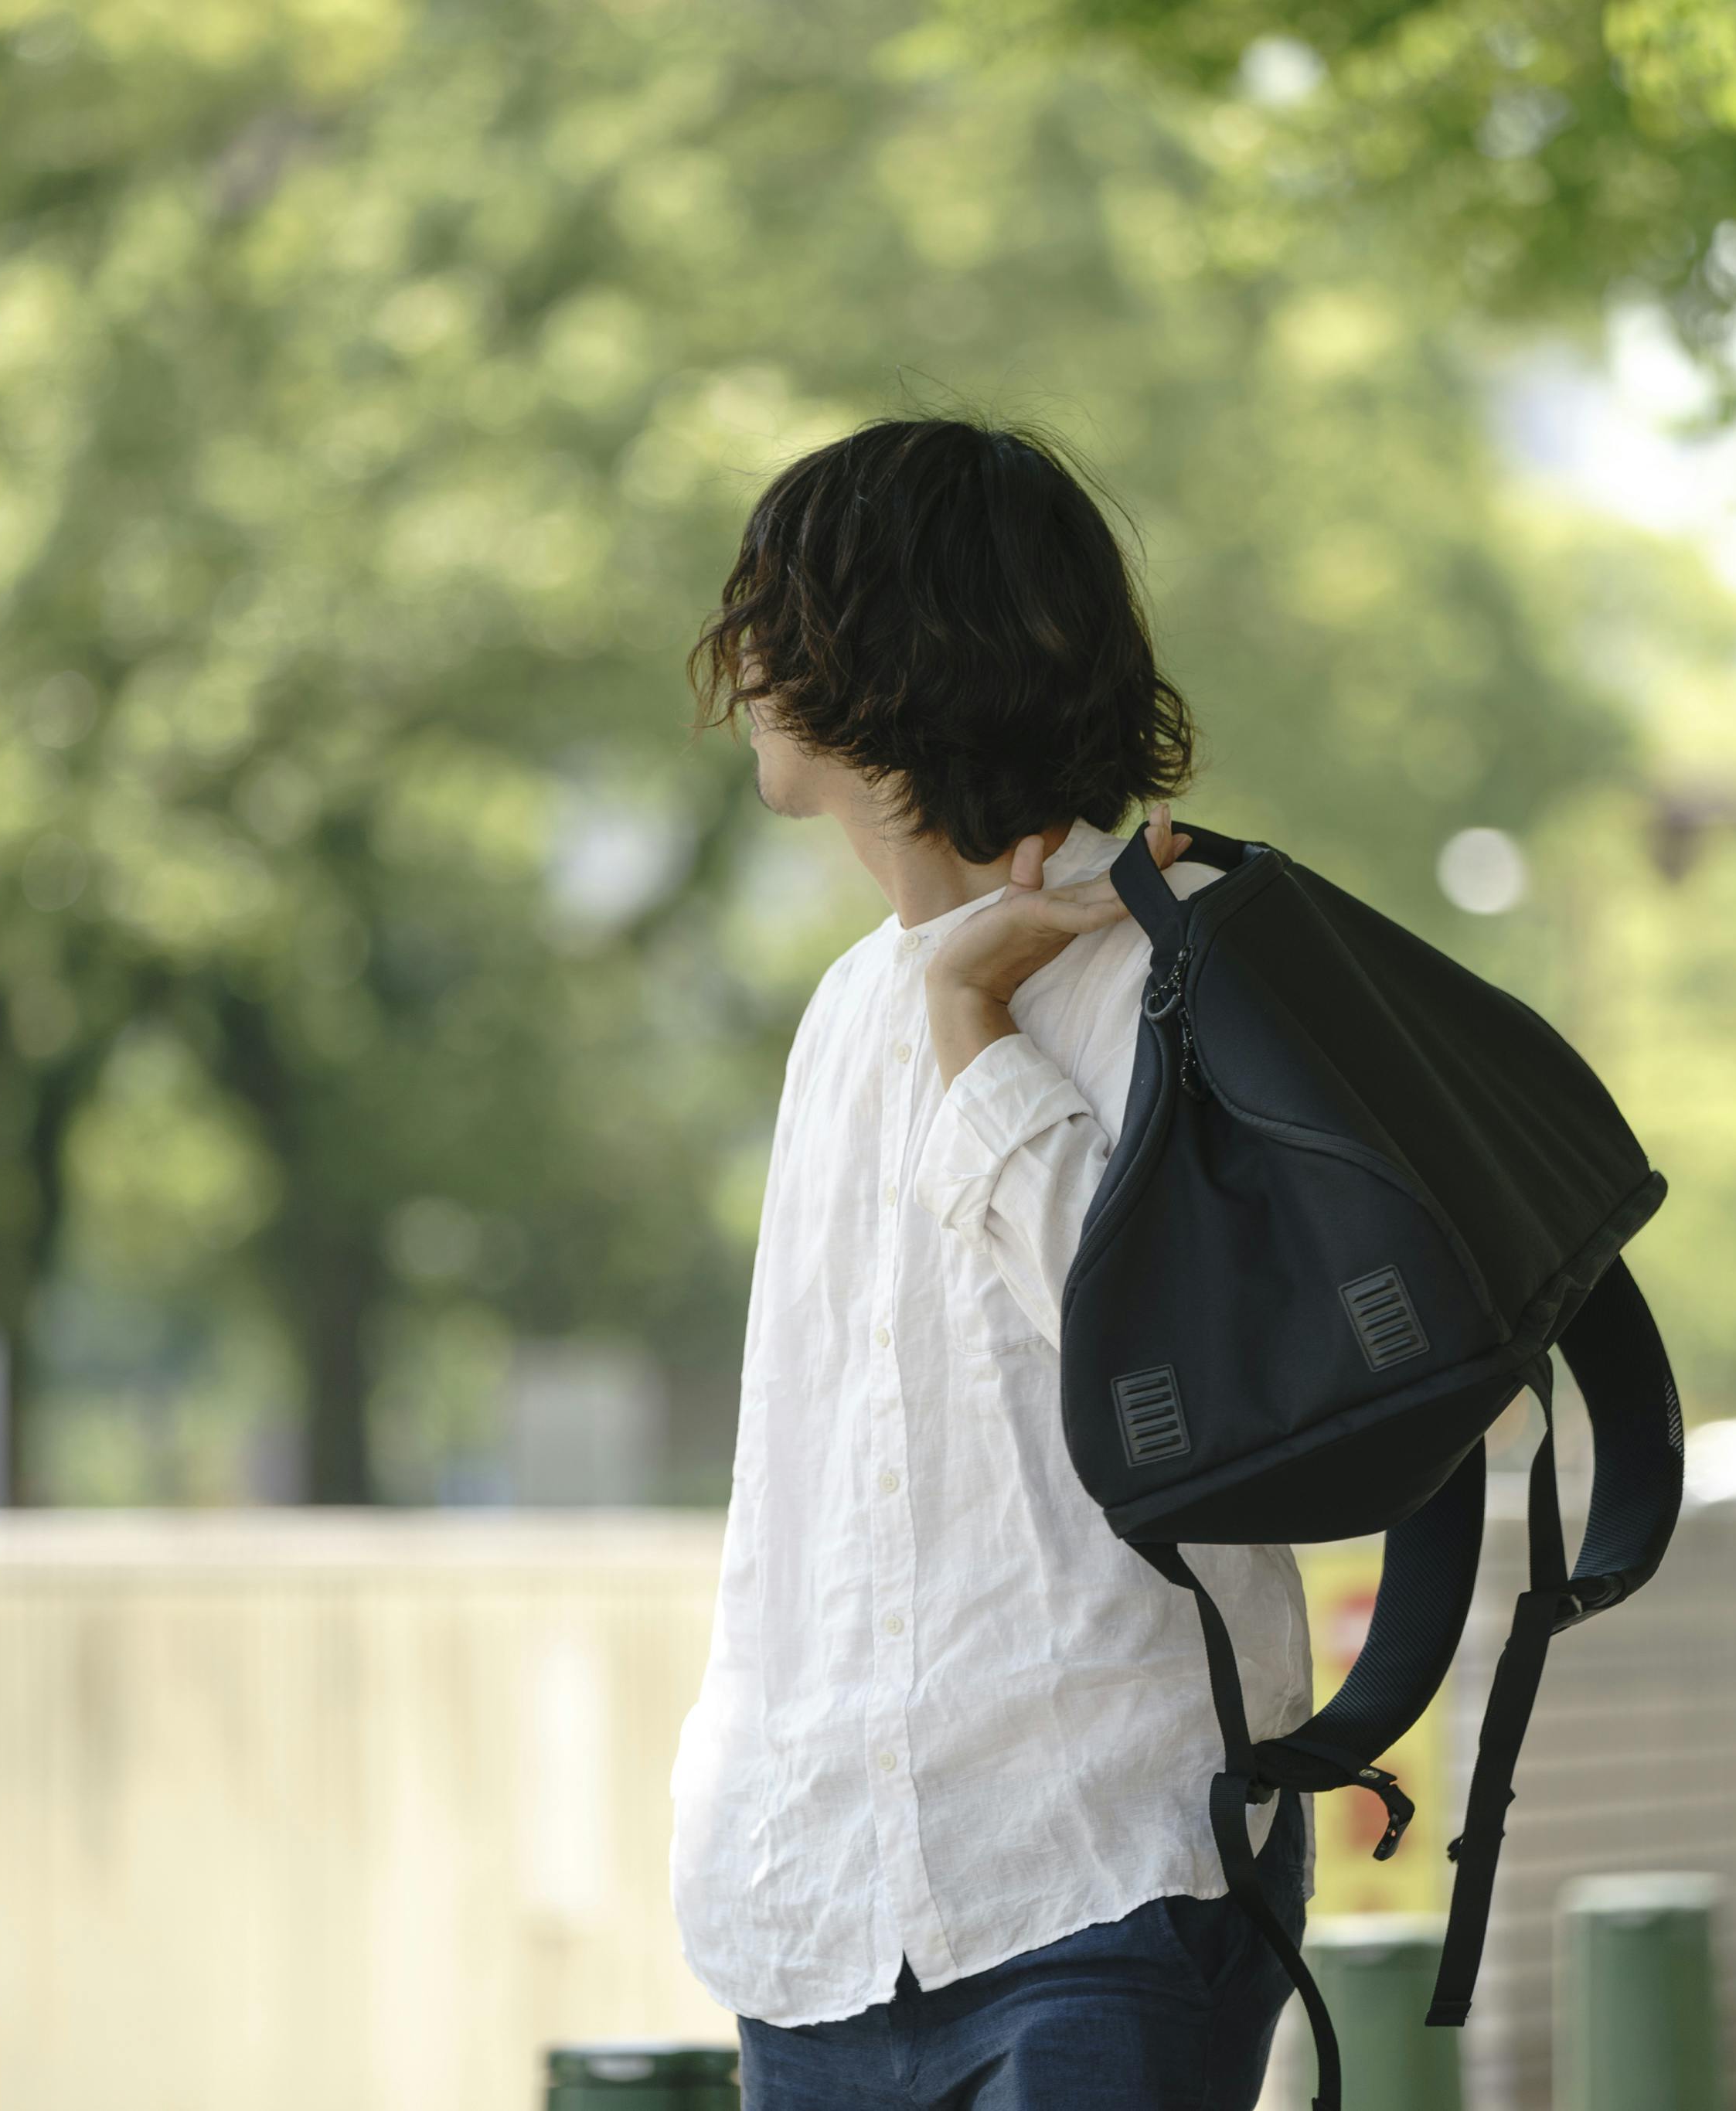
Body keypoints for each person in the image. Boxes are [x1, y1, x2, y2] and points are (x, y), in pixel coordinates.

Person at [669, 417, 1313, 2110]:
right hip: (819, 1912)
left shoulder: (1171, 966)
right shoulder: (839, 1014)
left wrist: (977, 1023)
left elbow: (1172, 1378)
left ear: (879, 655)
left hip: (1108, 1867)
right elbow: (805, 1466)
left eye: (773, 617)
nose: (741, 665)